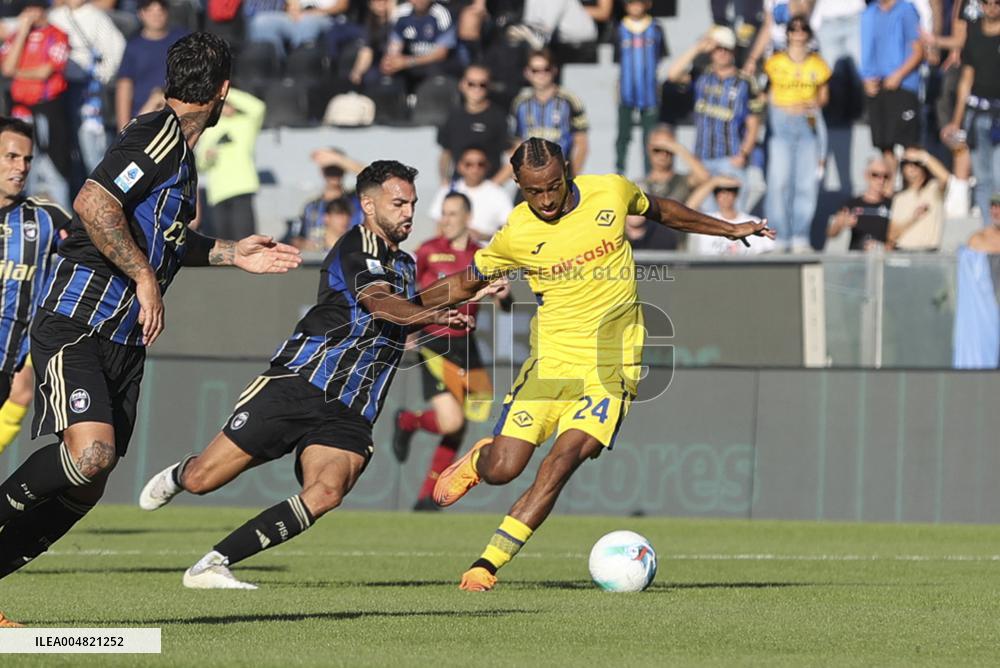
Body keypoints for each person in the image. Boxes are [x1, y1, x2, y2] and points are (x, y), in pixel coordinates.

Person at [0, 33, 302, 624]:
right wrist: (142, 278)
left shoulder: (179, 156)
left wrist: (230, 252)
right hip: (79, 320)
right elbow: (93, 203)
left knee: (89, 483)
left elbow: (161, 238)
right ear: (222, 93)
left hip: (123, 341)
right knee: (90, 457)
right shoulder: (155, 132)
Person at [425, 137, 773, 591]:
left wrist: (726, 229)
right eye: (534, 191)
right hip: (552, 364)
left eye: (553, 185)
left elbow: (662, 210)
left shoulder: (609, 191)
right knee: (504, 468)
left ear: (568, 169)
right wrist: (404, 310)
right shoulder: (516, 233)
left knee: (562, 460)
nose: (547, 199)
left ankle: (486, 565)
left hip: (612, 367)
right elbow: (467, 282)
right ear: (517, 185)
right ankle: (480, 461)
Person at [137, 161, 478, 588]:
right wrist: (433, 313)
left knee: (327, 492)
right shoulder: (355, 248)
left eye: (412, 203)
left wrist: (482, 276)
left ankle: (213, 564)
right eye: (398, 203)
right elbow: (382, 305)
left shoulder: (405, 265)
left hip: (353, 409)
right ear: (368, 205)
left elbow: (421, 297)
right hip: (299, 384)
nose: (409, 212)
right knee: (203, 479)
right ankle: (179, 474)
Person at [393, 191, 502, 511]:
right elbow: (405, 289)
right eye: (443, 213)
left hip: (465, 345)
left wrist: (502, 293)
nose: (446, 219)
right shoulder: (428, 251)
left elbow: (503, 302)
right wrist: (407, 325)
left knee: (473, 415)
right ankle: (409, 421)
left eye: (453, 213)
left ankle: (429, 496)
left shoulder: (482, 255)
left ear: (468, 218)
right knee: (452, 421)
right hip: (434, 341)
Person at [0, 118, 71, 459]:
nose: (21, 167)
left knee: (21, 394)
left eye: (27, 160)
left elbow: (96, 249)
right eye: (11, 157)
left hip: (7, 362)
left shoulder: (46, 219)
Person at [667, 26, 762, 213]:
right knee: (706, 218)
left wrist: (743, 154)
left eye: (726, 49)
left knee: (733, 216)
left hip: (730, 158)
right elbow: (673, 74)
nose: (722, 53)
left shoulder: (744, 82)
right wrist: (697, 48)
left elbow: (753, 124)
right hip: (702, 160)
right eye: (718, 48)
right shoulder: (701, 75)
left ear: (733, 51)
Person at [763, 14, 830, 252]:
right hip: (782, 121)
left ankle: (800, 235)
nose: (798, 33)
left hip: (807, 122)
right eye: (794, 29)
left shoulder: (817, 64)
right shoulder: (776, 61)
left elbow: (824, 94)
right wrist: (782, 108)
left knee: (805, 184)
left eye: (803, 29)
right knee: (779, 182)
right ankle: (779, 236)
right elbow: (767, 92)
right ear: (788, 33)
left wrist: (812, 106)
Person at [1, 0, 72, 208]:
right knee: (23, 162)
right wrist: (22, 32)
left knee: (53, 166)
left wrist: (18, 73)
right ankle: (22, 210)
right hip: (21, 109)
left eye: (35, 8)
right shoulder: (16, 37)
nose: (31, 14)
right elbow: (6, 68)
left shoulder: (58, 35)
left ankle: (62, 214)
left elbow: (45, 72)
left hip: (48, 109)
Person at [48, 0, 125, 175]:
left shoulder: (96, 16)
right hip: (57, 91)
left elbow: (117, 49)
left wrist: (101, 75)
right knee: (64, 148)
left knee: (91, 145)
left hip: (88, 92)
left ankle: (99, 188)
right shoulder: (54, 16)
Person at [942, 0, 1000, 224]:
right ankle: (989, 229)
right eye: (987, 3)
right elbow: (966, 79)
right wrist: (956, 121)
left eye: (997, 3)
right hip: (977, 114)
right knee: (983, 178)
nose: (992, 8)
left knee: (998, 176)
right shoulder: (974, 31)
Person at [860, 0, 924, 181]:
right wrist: (867, 79)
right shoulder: (870, 12)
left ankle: (908, 194)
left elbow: (918, 50)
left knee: (907, 145)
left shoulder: (906, 10)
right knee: (885, 145)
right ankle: (889, 194)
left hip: (903, 86)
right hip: (877, 87)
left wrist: (898, 75)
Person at [195, 88, 266, 240]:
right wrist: (207, 157)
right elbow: (201, 164)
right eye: (224, 104)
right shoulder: (211, 128)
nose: (228, 107)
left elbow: (258, 108)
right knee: (223, 242)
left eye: (229, 104)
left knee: (245, 238)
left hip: (241, 187)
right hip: (218, 193)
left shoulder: (245, 123)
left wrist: (225, 92)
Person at [511, 49, 589, 177]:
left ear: (554, 70)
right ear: (527, 72)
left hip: (561, 174)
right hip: (530, 175)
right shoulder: (520, 103)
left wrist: (574, 175)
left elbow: (582, 144)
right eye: (535, 70)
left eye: (545, 69)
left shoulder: (570, 100)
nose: (541, 75)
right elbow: (516, 143)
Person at [115, 0, 188, 132]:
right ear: (141, 13)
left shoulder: (182, 41)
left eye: (160, 11)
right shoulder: (133, 47)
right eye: (150, 11)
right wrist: (123, 130)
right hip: (143, 118)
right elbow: (124, 87)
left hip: (180, 116)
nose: (156, 15)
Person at [437, 63, 514, 185]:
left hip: (487, 186)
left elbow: (513, 157)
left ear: (489, 86)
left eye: (482, 84)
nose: (476, 88)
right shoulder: (452, 116)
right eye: (471, 84)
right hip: (458, 185)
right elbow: (446, 153)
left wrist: (493, 186)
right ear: (462, 84)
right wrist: (444, 182)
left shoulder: (498, 117)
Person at [614, 0, 667, 176]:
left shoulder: (656, 28)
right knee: (623, 135)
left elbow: (662, 57)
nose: (635, 6)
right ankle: (620, 170)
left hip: (650, 92)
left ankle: (649, 172)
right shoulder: (619, 28)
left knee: (650, 136)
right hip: (626, 91)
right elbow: (616, 60)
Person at [428, 146, 513, 241]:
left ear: (488, 166)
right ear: (459, 166)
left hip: (485, 251)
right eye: (469, 164)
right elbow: (439, 228)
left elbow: (508, 229)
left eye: (480, 164)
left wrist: (482, 236)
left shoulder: (498, 194)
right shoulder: (447, 190)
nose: (475, 169)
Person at [290, 147, 364, 249]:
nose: (334, 174)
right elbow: (296, 238)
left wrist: (339, 160)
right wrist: (309, 246)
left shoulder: (356, 202)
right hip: (319, 261)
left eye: (338, 169)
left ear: (344, 170)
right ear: (322, 171)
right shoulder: (311, 207)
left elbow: (374, 178)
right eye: (329, 170)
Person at [686, 175, 775, 255]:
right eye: (720, 191)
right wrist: (714, 182)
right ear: (715, 196)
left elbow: (767, 254)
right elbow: (687, 212)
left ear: (736, 194)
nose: (725, 196)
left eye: (730, 191)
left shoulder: (754, 223)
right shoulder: (706, 221)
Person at [380, 0, 456, 94]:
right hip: (408, 60)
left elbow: (441, 54)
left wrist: (408, 62)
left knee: (436, 71)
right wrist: (391, 61)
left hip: (433, 62)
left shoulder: (442, 14)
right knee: (387, 69)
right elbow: (395, 45)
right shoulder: (401, 13)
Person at [887, 147, 949, 251]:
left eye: (917, 163)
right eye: (907, 163)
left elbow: (945, 177)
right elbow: (892, 235)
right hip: (903, 251)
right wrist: (913, 218)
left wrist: (922, 156)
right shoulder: (899, 198)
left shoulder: (933, 189)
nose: (912, 166)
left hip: (929, 253)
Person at [827, 157, 894, 251]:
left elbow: (897, 237)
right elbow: (831, 233)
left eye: (885, 176)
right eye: (875, 175)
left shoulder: (893, 204)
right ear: (866, 175)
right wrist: (839, 224)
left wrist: (884, 247)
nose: (881, 180)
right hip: (857, 260)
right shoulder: (853, 204)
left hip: (882, 260)